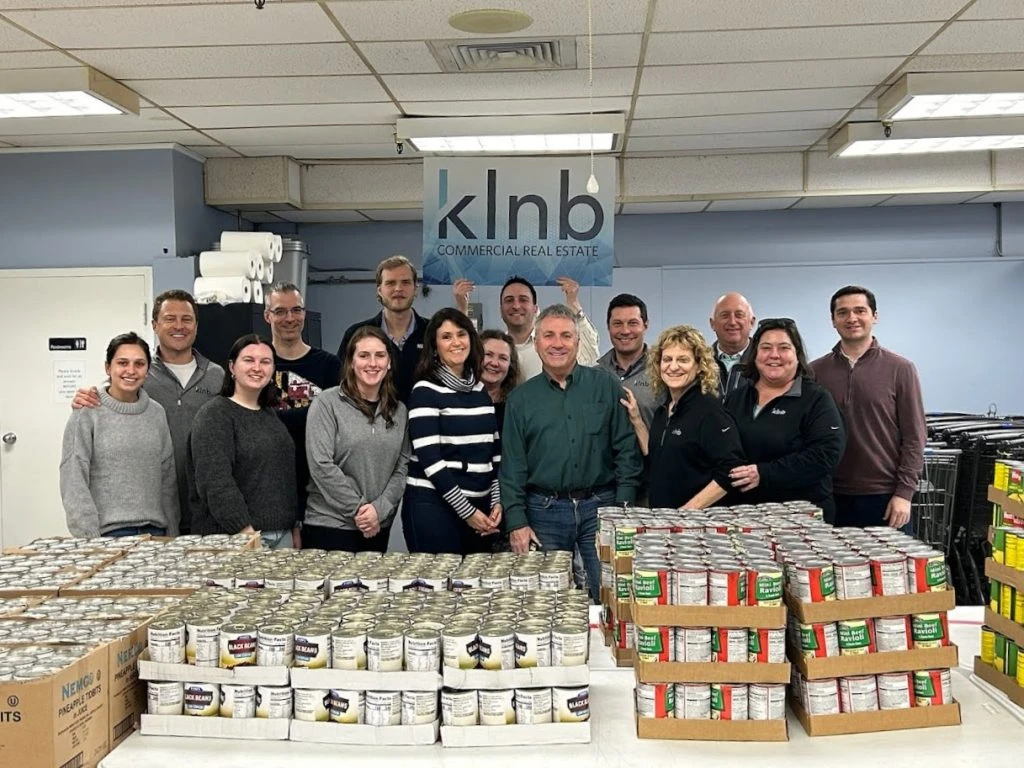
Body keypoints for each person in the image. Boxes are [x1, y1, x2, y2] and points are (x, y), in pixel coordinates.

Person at [500, 304, 643, 602]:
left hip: (601, 508)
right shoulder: (520, 400)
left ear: (578, 342)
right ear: (537, 342)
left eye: (566, 335)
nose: (557, 343)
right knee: (547, 602)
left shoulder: (605, 385)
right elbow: (512, 467)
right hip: (544, 512)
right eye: (549, 335)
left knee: (610, 595)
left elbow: (626, 449)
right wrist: (516, 521)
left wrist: (622, 509)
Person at [71, 289, 224, 534]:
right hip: (152, 511)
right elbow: (114, 393)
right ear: (154, 324)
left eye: (186, 319)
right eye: (169, 318)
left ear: (196, 325)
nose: (178, 326)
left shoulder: (217, 376)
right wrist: (91, 395)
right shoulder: (142, 375)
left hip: (204, 504)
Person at [810, 286, 926, 528]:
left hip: (885, 498)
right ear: (833, 321)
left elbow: (914, 436)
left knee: (889, 567)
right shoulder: (815, 371)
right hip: (830, 496)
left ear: (875, 316)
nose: (852, 318)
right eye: (843, 313)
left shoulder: (900, 369)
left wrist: (904, 494)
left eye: (860, 310)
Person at [724, 318, 846, 520]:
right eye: (766, 348)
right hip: (744, 516)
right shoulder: (736, 398)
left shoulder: (816, 399)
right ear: (755, 355)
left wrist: (764, 473)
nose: (774, 355)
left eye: (784, 348)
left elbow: (826, 454)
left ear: (797, 355)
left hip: (802, 518)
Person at [403, 308, 502, 555]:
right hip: (434, 507)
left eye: (461, 334)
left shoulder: (480, 390)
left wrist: (497, 500)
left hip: (480, 508)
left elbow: (495, 452)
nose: (456, 342)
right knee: (439, 590)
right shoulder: (424, 391)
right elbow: (431, 460)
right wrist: (467, 511)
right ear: (434, 346)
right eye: (446, 337)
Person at [60, 332, 178, 538]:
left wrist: (172, 533)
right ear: (108, 367)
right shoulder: (87, 411)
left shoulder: (156, 412)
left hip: (156, 532)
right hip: (108, 535)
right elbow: (73, 479)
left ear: (148, 371)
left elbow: (167, 477)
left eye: (139, 364)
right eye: (122, 362)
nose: (131, 370)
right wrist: (89, 539)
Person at [304, 326, 410, 552]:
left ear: (389, 362)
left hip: (377, 526)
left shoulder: (399, 411)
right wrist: (360, 510)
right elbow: (321, 466)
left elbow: (402, 468)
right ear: (351, 362)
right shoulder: (326, 403)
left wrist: (378, 511)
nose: (372, 363)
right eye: (363, 355)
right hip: (330, 526)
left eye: (380, 355)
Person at [188, 335, 297, 547]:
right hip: (236, 538)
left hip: (280, 535)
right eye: (248, 360)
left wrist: (294, 526)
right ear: (231, 367)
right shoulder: (215, 415)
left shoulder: (269, 415)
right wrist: (245, 532)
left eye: (265, 362)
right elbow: (215, 483)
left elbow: (284, 478)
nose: (257, 367)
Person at [622, 325, 745, 509]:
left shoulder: (709, 411)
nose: (673, 367)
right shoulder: (664, 410)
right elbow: (658, 455)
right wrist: (637, 420)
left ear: (699, 365)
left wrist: (686, 512)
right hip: (664, 520)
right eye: (667, 359)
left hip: (695, 526)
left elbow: (730, 471)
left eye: (683, 360)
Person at [264, 281, 342, 547]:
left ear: (304, 314)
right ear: (267, 316)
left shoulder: (330, 366)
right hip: (270, 494)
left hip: (322, 497)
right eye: (280, 311)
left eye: (296, 310)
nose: (289, 318)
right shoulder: (255, 366)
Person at [453, 275, 600, 384]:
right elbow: (459, 360)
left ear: (535, 308)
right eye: (509, 300)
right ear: (501, 310)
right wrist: (462, 309)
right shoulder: (494, 350)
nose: (516, 306)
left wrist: (574, 304)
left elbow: (591, 357)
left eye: (523, 300)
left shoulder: (553, 346)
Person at [339, 255, 428, 403]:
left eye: (405, 282)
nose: (398, 288)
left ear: (415, 288)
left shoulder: (433, 333)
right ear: (379, 290)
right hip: (371, 422)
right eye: (391, 283)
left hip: (425, 423)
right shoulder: (356, 335)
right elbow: (343, 384)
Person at [599, 293, 656, 427]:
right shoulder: (594, 376)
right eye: (617, 324)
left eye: (633, 323)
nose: (625, 331)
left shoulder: (664, 372)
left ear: (645, 325)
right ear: (608, 327)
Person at [709, 292, 756, 398]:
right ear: (712, 324)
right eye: (725, 315)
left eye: (739, 315)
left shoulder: (766, 361)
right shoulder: (698, 363)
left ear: (752, 322)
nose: (732, 322)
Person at [479, 329, 520, 433]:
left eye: (503, 358)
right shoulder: (458, 400)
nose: (494, 363)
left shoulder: (517, 405)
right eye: (488, 354)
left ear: (510, 365)